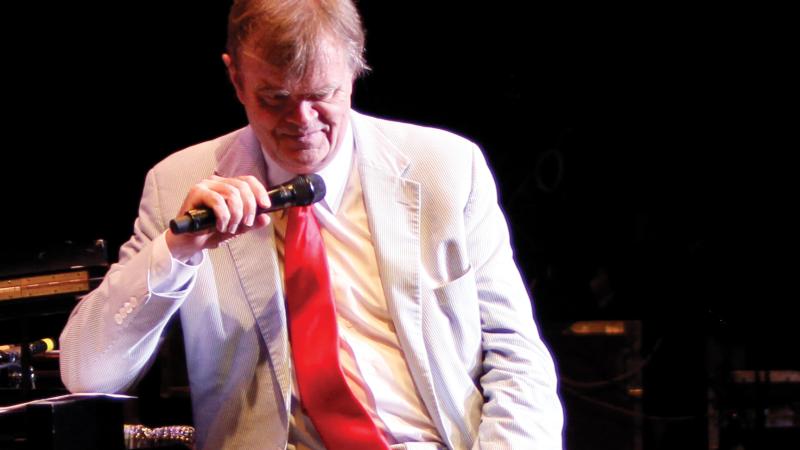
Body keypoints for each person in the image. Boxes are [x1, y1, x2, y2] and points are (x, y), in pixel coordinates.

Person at [59, 1, 564, 448]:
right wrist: (176, 252)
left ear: (355, 67)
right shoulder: (179, 184)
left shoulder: (446, 169)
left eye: (322, 94)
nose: (302, 121)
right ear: (235, 79)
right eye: (274, 98)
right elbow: (86, 373)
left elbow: (518, 357)